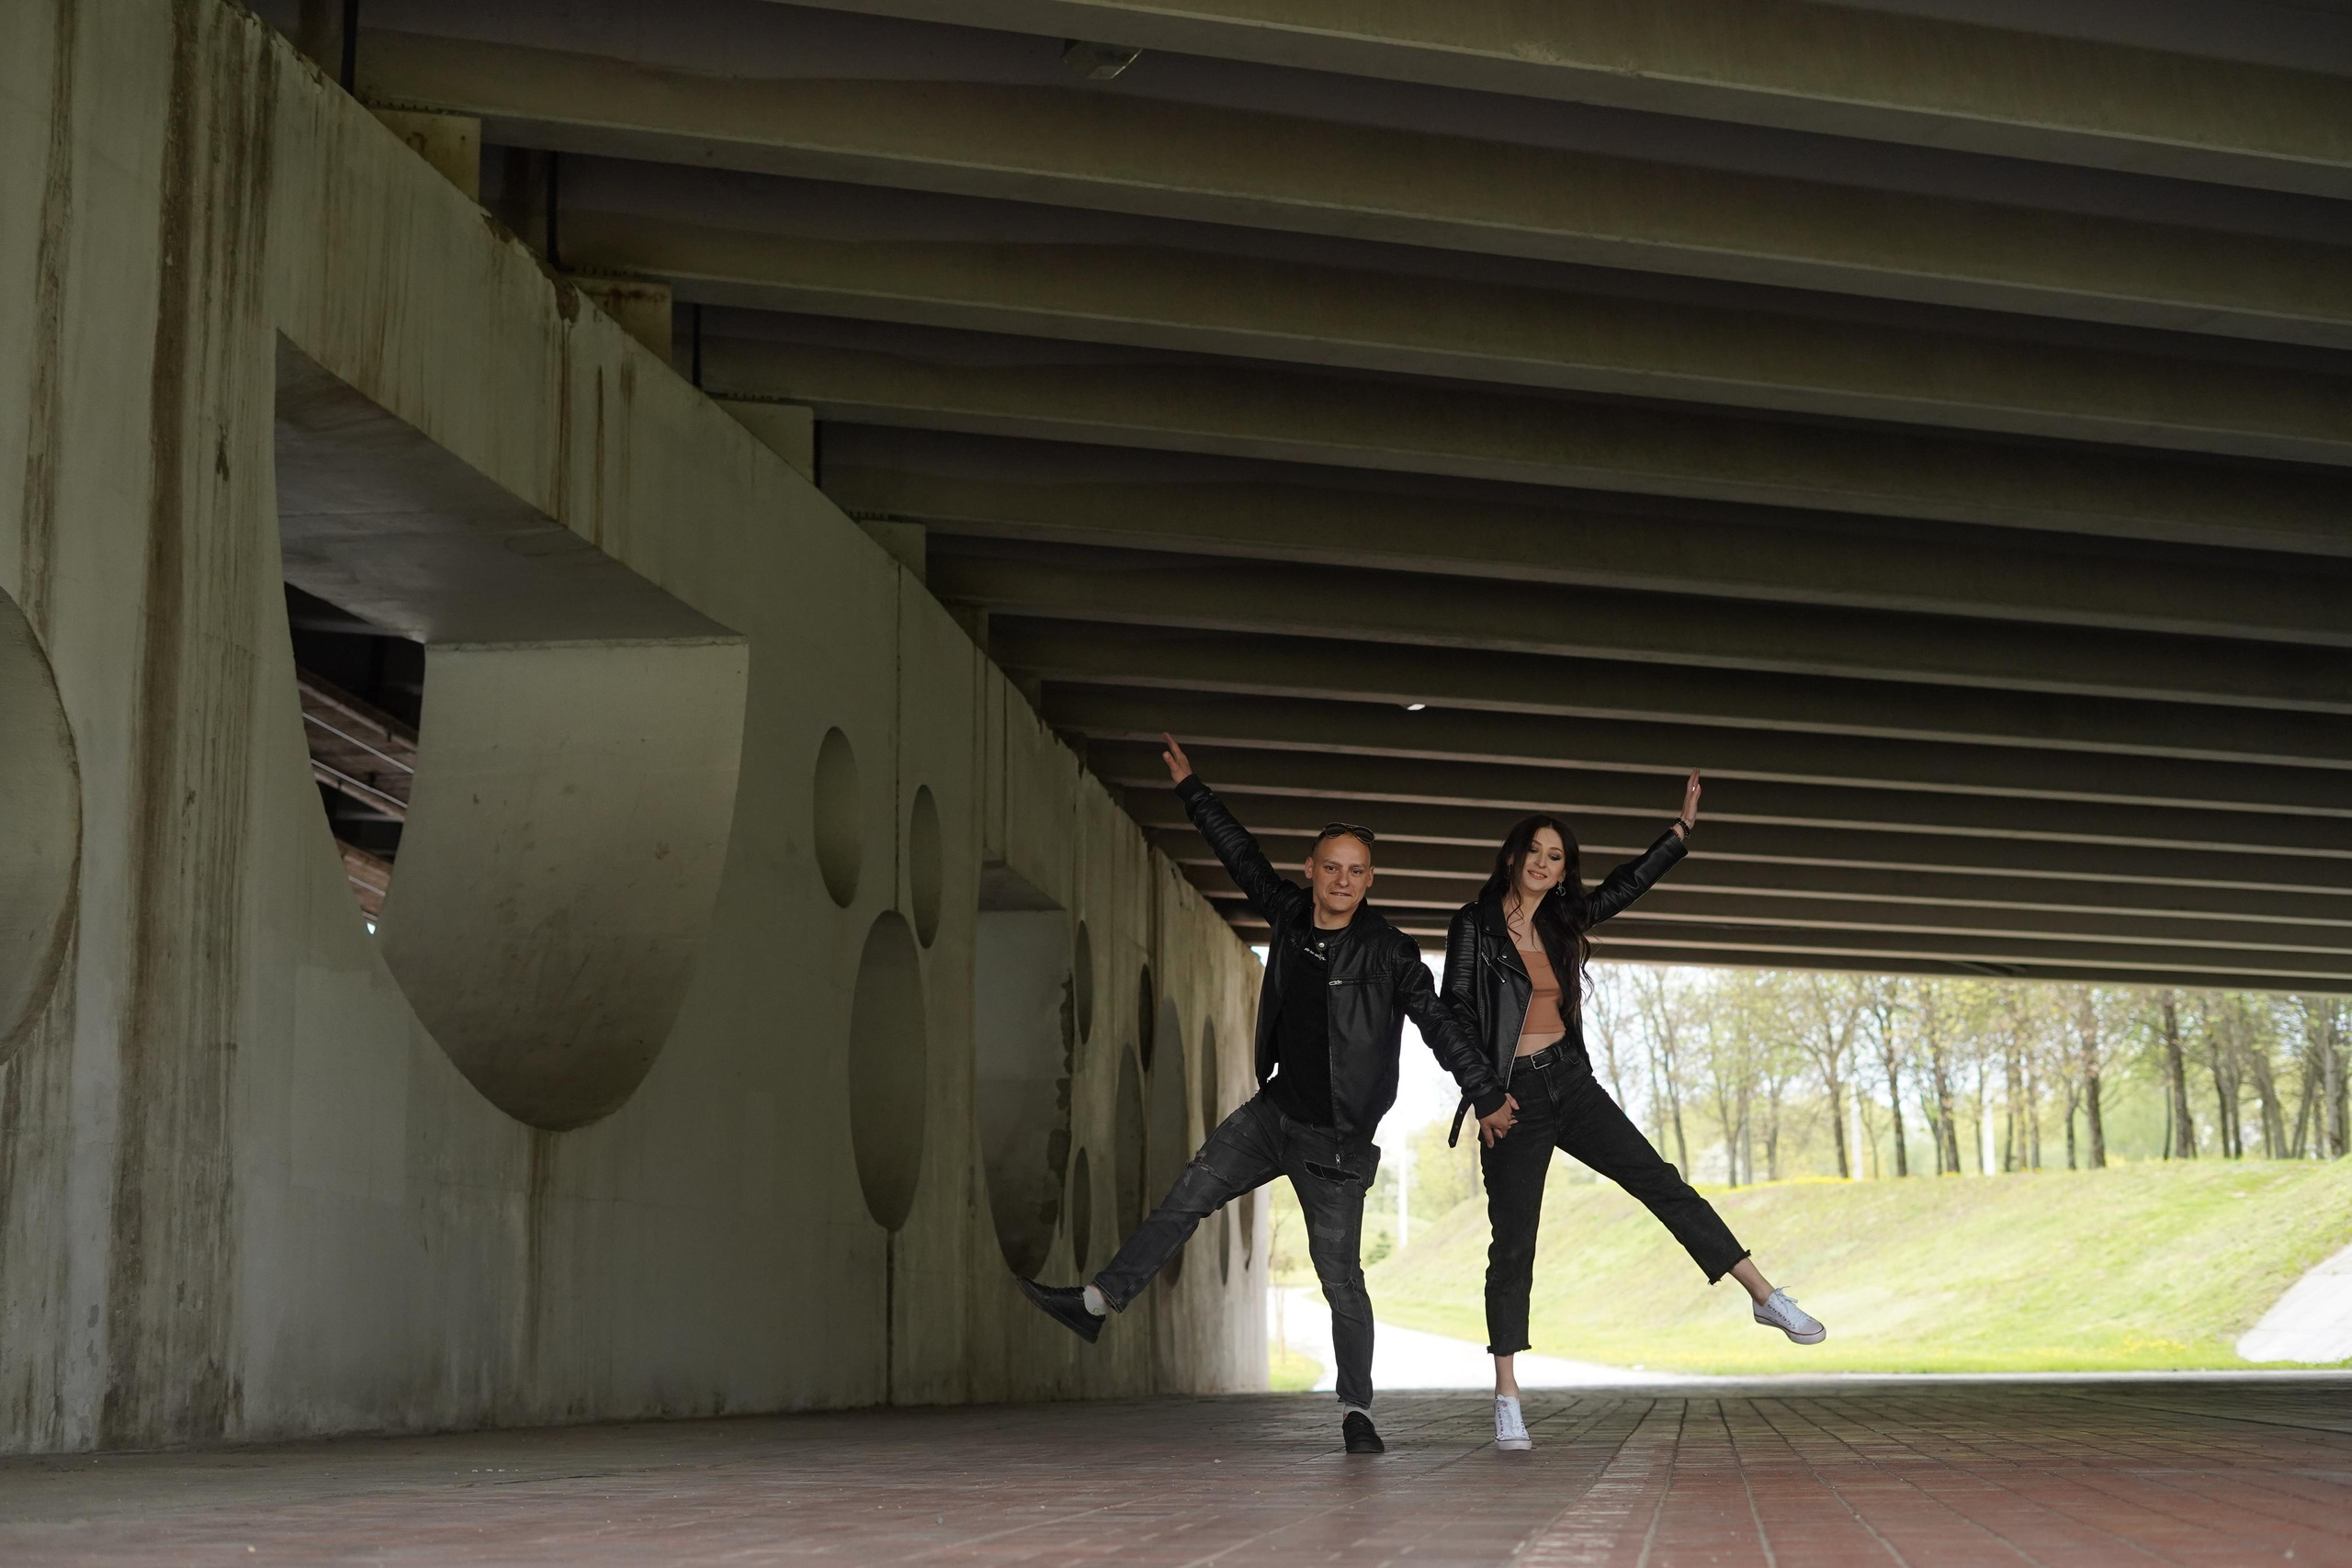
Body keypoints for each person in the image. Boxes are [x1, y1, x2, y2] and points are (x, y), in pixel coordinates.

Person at [1017, 734, 1517, 1455]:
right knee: (1185, 1198)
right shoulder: (1289, 913)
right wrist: (1192, 789)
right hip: (1273, 1113)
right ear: (1311, 870)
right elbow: (1240, 855)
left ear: (1370, 880)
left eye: (1357, 871)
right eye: (1332, 867)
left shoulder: (1389, 951)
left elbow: (1440, 1023)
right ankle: (1096, 1302)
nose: (1342, 881)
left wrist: (1487, 1090)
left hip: (1337, 1143)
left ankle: (1356, 1410)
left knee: (1340, 1278)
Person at [1441, 773, 1825, 1453]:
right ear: (1511, 855)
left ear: (1563, 872)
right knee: (1513, 1242)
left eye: (1555, 856)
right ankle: (1506, 1394)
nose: (1541, 862)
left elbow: (1622, 888)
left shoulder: (1561, 920)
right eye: (1533, 849)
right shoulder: (1472, 926)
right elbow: (1456, 1021)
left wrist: (1676, 835)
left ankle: (1764, 1294)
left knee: (1661, 1180)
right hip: (1512, 1101)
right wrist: (1485, 1097)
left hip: (1571, 1082)